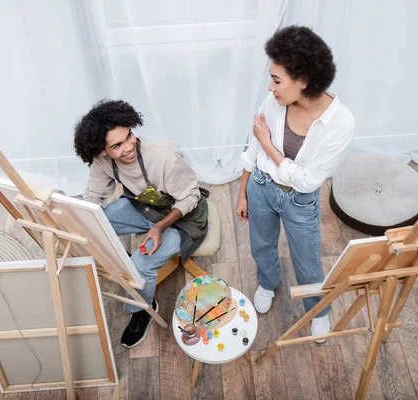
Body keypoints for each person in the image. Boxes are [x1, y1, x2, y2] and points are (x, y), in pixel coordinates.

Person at [236, 26, 354, 341]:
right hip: (260, 186)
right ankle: (268, 282)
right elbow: (253, 148)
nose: (270, 87)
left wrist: (269, 145)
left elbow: (306, 181)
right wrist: (243, 193)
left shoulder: (340, 123)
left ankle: (318, 310)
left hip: (299, 200)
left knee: (307, 261)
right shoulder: (274, 100)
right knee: (261, 243)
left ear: (302, 81)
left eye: (277, 80)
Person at [74, 99, 208, 348]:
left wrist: (158, 228)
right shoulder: (102, 161)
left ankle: (143, 309)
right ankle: (125, 259)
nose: (128, 147)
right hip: (146, 207)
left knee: (139, 268)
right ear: (102, 150)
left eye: (129, 136)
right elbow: (94, 198)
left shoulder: (162, 157)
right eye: (117, 145)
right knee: (94, 224)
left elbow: (192, 196)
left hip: (185, 219)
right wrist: (73, 208)